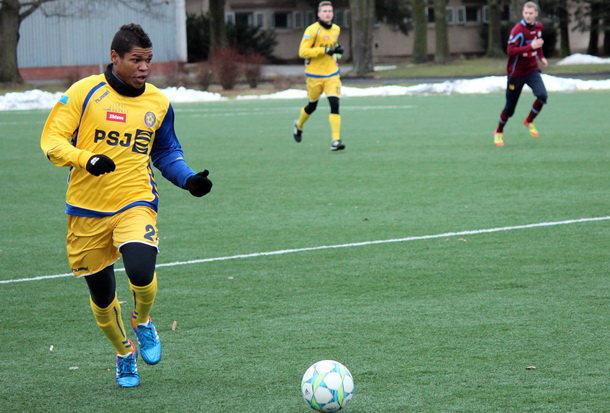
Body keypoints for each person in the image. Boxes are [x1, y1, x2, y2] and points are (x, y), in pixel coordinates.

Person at [40, 23, 213, 388]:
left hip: (135, 201)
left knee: (140, 271)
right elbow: (52, 141)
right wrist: (86, 159)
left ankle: (143, 320)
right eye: (136, 60)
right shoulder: (84, 93)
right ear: (114, 57)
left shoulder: (158, 103)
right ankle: (124, 352)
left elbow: (166, 152)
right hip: (86, 211)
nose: (144, 68)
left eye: (148, 61)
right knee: (102, 298)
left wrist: (188, 178)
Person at [293, 1, 346, 151]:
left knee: (335, 104)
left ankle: (336, 140)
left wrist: (338, 52)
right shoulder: (312, 30)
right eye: (325, 11)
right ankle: (299, 125)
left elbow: (333, 48)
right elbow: (303, 52)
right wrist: (323, 51)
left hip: (332, 73)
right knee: (312, 106)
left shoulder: (336, 29)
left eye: (330, 11)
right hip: (314, 75)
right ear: (319, 14)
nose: (328, 13)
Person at [494, 1, 548, 146]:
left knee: (542, 96)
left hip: (531, 70)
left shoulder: (539, 27)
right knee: (510, 109)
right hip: (516, 73)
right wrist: (530, 46)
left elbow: (538, 44)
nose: (528, 16)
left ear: (536, 14)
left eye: (531, 13)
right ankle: (499, 131)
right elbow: (510, 51)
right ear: (523, 14)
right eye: (526, 13)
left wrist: (541, 57)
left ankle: (529, 120)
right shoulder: (518, 30)